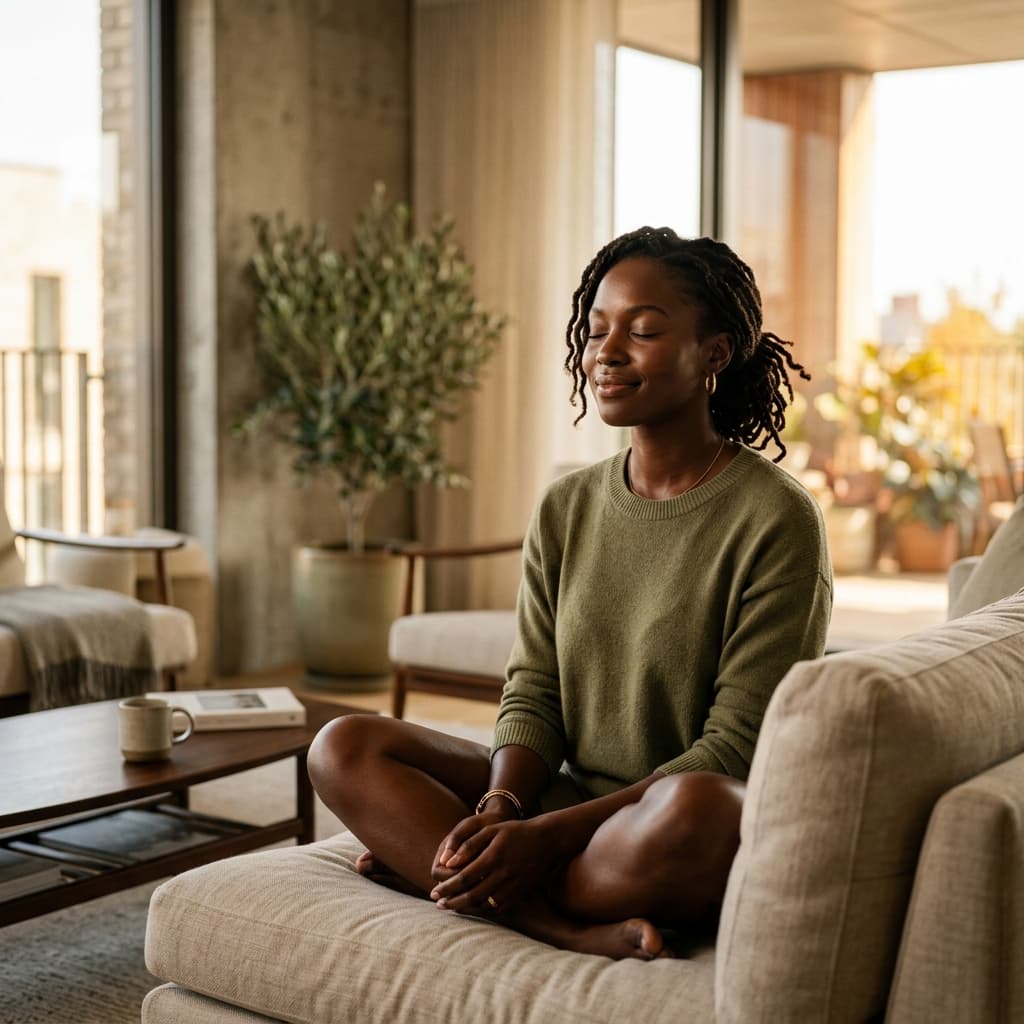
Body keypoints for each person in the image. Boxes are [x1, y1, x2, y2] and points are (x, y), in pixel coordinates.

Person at [308, 226, 832, 961]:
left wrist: (542, 838)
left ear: (715, 353)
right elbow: (534, 689)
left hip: (655, 820)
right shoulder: (567, 506)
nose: (606, 354)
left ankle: (447, 875)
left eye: (643, 331)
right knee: (343, 745)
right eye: (595, 332)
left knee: (705, 811)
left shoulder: (777, 519)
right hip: (563, 796)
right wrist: (502, 811)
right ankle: (546, 919)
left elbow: (735, 749)